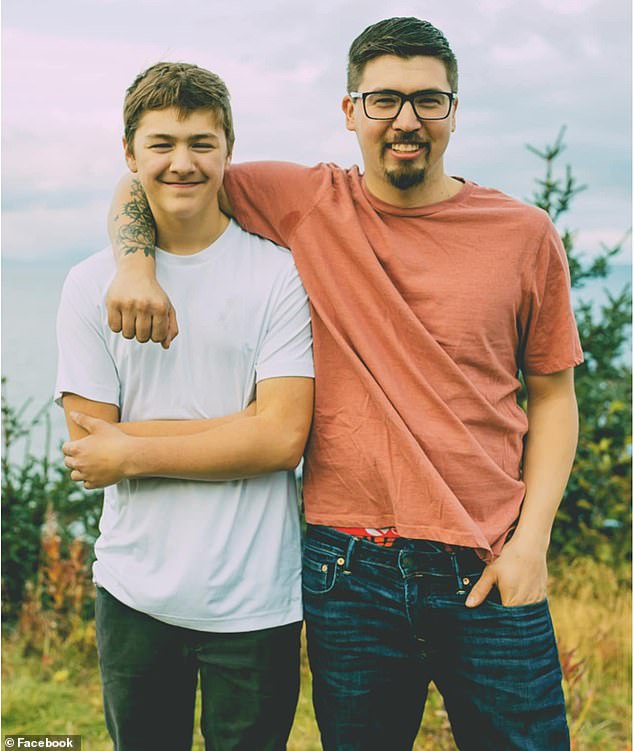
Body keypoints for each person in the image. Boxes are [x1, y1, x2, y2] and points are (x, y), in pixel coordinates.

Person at [99, 17, 582, 751]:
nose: (407, 120)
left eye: (429, 100)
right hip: (348, 574)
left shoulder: (523, 232)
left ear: (454, 110)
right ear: (350, 110)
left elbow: (553, 395)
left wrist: (532, 542)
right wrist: (135, 265)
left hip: (487, 564)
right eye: (384, 99)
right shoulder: (306, 202)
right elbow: (157, 175)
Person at [56, 62, 314, 751]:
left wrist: (133, 449)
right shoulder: (89, 285)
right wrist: (242, 430)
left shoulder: (279, 273)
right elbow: (89, 450)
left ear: (229, 148)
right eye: (161, 143)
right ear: (129, 154)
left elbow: (285, 437)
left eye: (202, 143)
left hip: (257, 600)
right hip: (135, 594)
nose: (182, 162)